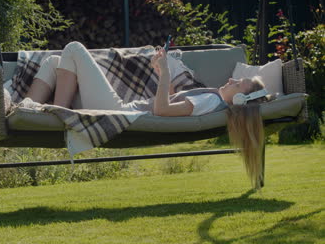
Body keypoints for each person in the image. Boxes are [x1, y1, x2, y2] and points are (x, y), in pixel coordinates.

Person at [25, 41, 268, 189]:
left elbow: (161, 111)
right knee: (55, 61)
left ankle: (55, 113)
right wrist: (164, 70)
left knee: (74, 49)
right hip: (123, 108)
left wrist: (162, 74)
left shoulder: (209, 101)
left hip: (118, 111)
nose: (232, 79)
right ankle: (31, 109)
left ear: (239, 100)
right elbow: (171, 103)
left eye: (238, 84)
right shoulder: (212, 99)